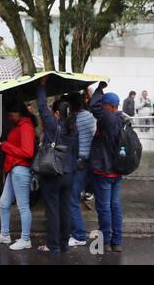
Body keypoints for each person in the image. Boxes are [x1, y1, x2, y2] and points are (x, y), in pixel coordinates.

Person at [36, 77, 78, 253]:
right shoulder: (72, 128)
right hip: (68, 174)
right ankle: (64, 243)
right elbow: (76, 152)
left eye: (54, 112)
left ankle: (53, 245)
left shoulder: (54, 124)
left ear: (58, 114)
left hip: (52, 172)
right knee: (65, 209)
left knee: (52, 211)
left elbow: (41, 107)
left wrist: (41, 86)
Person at [0, 100, 37, 250]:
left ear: (18, 113)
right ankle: (5, 234)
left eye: (11, 115)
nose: (9, 118)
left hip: (20, 169)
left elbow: (27, 152)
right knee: (4, 202)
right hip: (15, 169)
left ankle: (25, 238)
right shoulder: (22, 126)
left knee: (23, 206)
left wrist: (6, 146)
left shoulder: (25, 127)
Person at [89, 82, 124, 252]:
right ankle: (117, 242)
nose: (101, 108)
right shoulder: (123, 119)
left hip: (104, 170)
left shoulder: (108, 118)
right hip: (117, 171)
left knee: (104, 207)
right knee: (115, 206)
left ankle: (105, 241)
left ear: (109, 106)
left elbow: (94, 105)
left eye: (104, 105)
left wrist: (99, 88)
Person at [67, 93, 96, 247]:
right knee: (74, 196)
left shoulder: (74, 120)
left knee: (72, 198)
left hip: (79, 163)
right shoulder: (90, 116)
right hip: (89, 161)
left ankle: (78, 235)